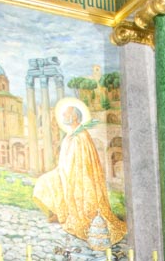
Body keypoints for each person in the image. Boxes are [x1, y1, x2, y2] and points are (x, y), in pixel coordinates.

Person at [33, 102, 127, 247]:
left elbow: (79, 161)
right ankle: (59, 212)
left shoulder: (81, 136)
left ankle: (64, 213)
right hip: (66, 170)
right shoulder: (72, 134)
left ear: (75, 117)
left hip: (77, 174)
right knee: (43, 182)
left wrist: (64, 171)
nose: (64, 115)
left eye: (67, 113)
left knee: (46, 181)